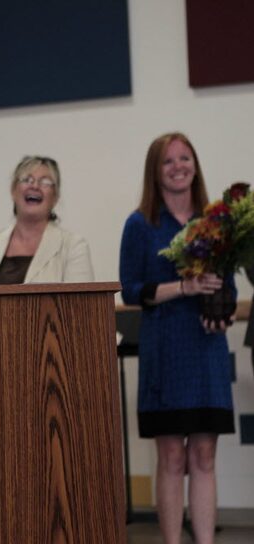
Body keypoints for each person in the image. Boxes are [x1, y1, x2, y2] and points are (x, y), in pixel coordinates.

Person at [119, 132, 234, 544]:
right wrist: (184, 288)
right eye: (169, 161)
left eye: (185, 158)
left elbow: (229, 286)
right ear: (156, 170)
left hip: (207, 352)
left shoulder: (217, 223)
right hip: (164, 351)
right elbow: (132, 289)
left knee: (204, 455)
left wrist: (222, 312)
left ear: (195, 165)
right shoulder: (139, 224)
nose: (179, 166)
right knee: (170, 456)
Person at [0, 155, 93, 283]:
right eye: (27, 179)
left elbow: (82, 301)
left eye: (45, 182)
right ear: (13, 190)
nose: (34, 186)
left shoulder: (74, 247)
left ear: (55, 196)